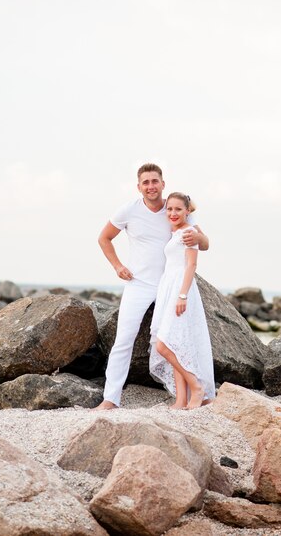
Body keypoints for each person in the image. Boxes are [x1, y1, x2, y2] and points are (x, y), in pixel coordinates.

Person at [95, 163, 209, 410]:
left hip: (170, 284)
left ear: (163, 183)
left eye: (154, 181)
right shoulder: (128, 210)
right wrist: (117, 266)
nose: (150, 186)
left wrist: (198, 238)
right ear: (139, 187)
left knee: (176, 339)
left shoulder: (175, 208)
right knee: (123, 339)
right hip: (139, 284)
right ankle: (110, 399)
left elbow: (204, 242)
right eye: (145, 182)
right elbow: (104, 238)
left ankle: (189, 395)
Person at [149, 192, 215, 409]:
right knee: (175, 343)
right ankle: (180, 399)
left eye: (178, 209)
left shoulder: (189, 232)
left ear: (187, 211)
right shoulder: (175, 231)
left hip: (180, 288)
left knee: (163, 344)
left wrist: (183, 295)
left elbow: (191, 265)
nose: (173, 213)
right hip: (168, 287)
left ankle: (196, 386)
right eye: (169, 209)